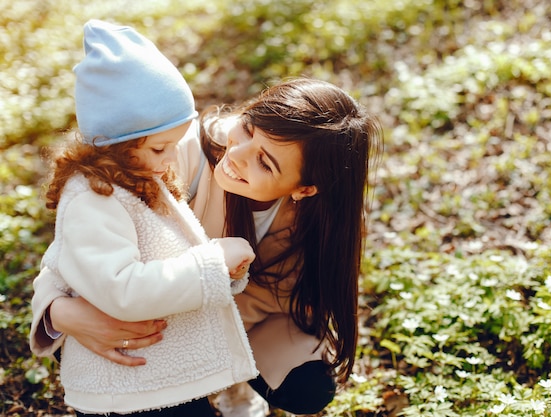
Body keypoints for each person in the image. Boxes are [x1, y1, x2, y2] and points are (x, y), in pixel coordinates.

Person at [30, 74, 383, 414]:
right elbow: (79, 244)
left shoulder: (318, 222)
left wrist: (215, 334)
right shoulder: (174, 155)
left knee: (308, 386)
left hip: (212, 317)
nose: (238, 154)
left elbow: (287, 301)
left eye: (264, 162)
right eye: (247, 128)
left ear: (304, 189)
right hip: (144, 312)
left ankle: (233, 384)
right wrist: (60, 312)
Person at [33, 19, 258, 416]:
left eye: (175, 145)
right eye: (160, 148)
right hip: (128, 387)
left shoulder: (137, 176)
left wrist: (223, 270)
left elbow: (169, 255)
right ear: (114, 142)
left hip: (158, 375)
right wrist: (211, 263)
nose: (173, 158)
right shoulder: (92, 198)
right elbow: (124, 291)